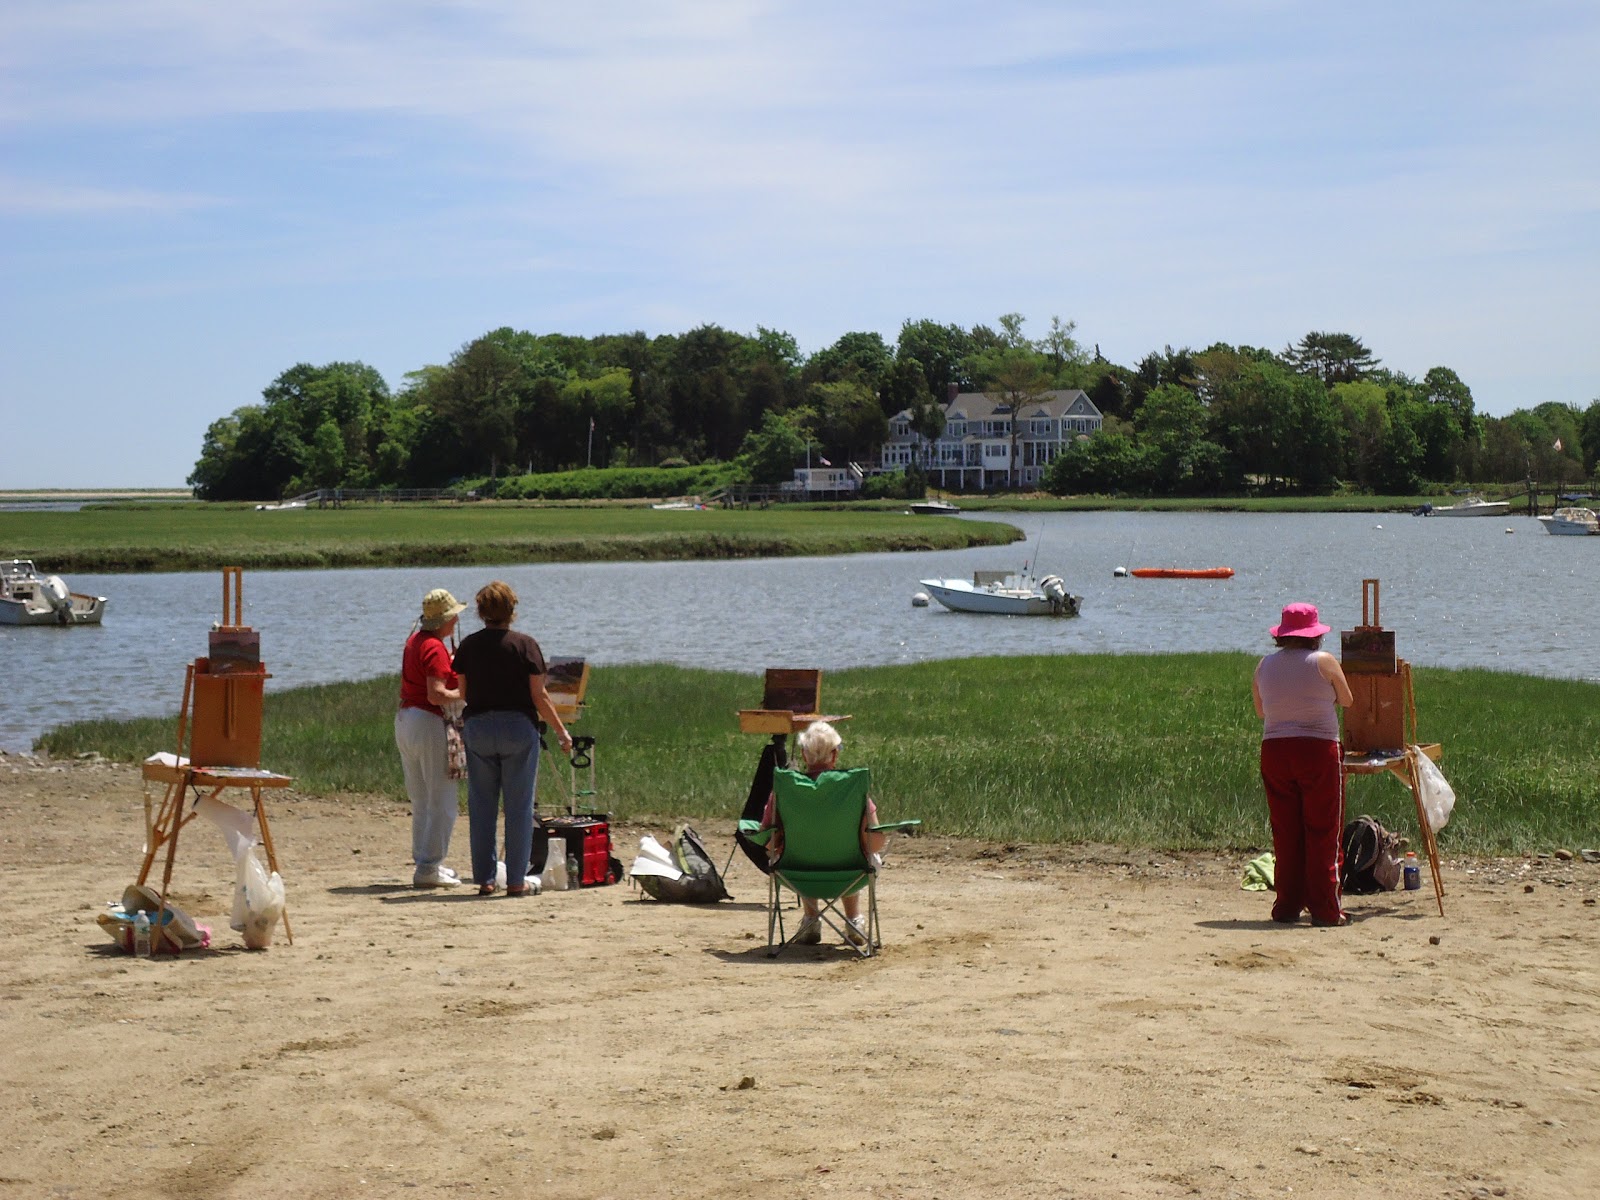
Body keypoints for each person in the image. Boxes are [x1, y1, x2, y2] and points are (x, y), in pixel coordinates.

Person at [451, 581, 573, 897]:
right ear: (511, 610)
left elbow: (463, 692)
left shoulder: (468, 646)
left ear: (481, 612)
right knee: (519, 808)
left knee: (482, 806)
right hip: (518, 728)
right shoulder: (526, 645)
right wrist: (561, 731)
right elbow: (539, 695)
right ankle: (516, 880)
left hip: (478, 727)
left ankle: (486, 879)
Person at [1252, 601, 1354, 927]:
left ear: (1282, 635)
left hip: (1275, 750)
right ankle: (1325, 909)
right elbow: (1347, 700)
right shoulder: (1323, 661)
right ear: (1315, 634)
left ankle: (1287, 906)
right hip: (1318, 749)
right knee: (1323, 831)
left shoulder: (1264, 666)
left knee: (1286, 832)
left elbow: (1260, 710)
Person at [761, 720, 886, 945]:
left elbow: (768, 842)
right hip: (851, 874)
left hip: (797, 874)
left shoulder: (784, 790)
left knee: (803, 853)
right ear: (835, 755)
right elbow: (874, 843)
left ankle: (811, 920)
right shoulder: (852, 789)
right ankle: (853, 921)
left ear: (803, 754)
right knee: (858, 854)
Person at [395, 588, 467, 888]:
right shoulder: (435, 648)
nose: (456, 622)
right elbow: (436, 694)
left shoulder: (415, 641)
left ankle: (426, 862)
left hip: (406, 719)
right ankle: (428, 867)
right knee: (443, 801)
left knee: (423, 799)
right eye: (453, 617)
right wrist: (465, 694)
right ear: (444, 620)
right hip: (428, 722)